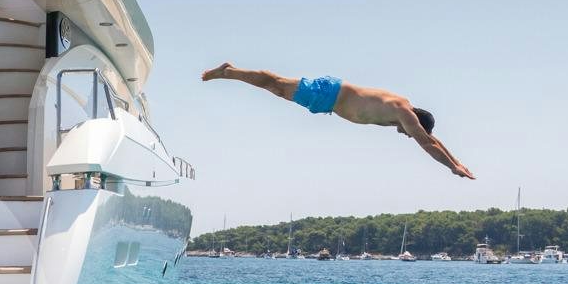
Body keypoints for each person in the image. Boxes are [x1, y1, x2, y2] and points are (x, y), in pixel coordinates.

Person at [201, 62, 475, 179]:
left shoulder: (403, 112)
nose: (405, 135)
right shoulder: (403, 113)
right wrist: (451, 168)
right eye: (409, 133)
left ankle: (232, 72)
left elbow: (430, 139)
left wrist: (457, 162)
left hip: (330, 98)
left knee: (276, 87)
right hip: (329, 95)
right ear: (416, 122)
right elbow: (426, 144)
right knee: (276, 85)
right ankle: (229, 72)